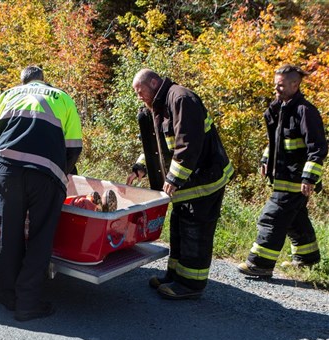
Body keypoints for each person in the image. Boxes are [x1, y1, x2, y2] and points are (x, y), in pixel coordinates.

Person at [128, 69, 234, 300]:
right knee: (178, 227)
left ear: (154, 83)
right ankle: (175, 276)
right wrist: (140, 166)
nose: (139, 96)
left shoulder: (181, 99)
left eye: (140, 91)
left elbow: (189, 145)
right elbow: (158, 145)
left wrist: (174, 178)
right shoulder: (160, 106)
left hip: (205, 181)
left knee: (195, 231)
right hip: (189, 184)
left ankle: (190, 284)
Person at [0, 65, 82, 321]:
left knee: (10, 234)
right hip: (45, 173)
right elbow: (73, 147)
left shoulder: (6, 95)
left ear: (22, 81)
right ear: (43, 80)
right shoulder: (62, 97)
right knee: (40, 236)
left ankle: (8, 294)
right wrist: (62, 176)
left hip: (7, 171)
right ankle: (28, 302)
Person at [237, 64, 327, 277]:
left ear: (295, 84)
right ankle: (307, 259)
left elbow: (318, 148)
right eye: (275, 85)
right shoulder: (280, 109)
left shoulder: (304, 111)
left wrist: (309, 177)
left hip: (295, 180)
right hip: (283, 176)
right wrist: (266, 158)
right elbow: (276, 140)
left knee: (272, 217)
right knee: (295, 218)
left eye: (280, 85)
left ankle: (260, 264)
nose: (276, 89)